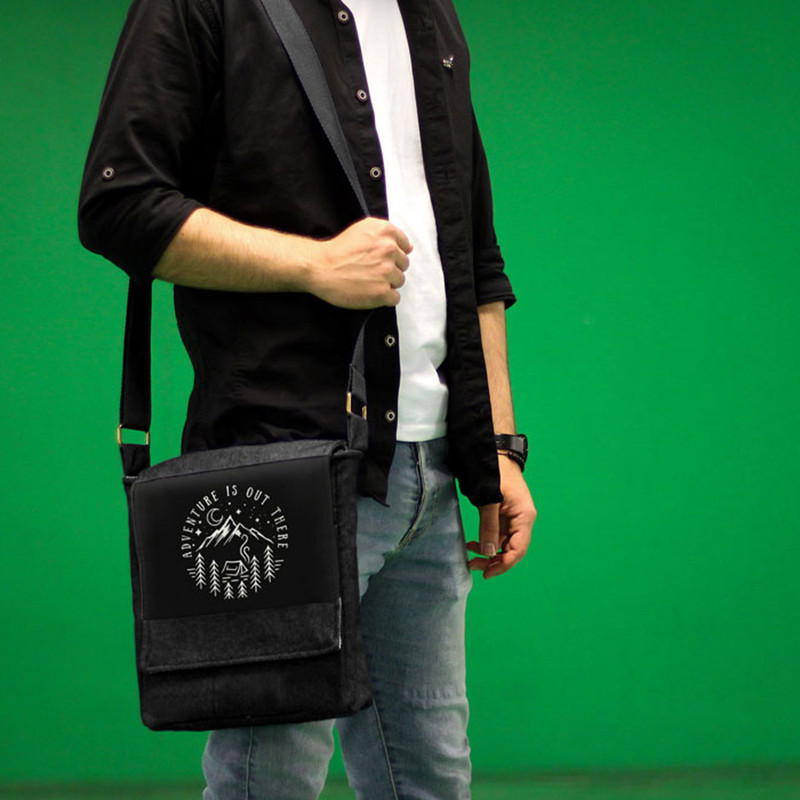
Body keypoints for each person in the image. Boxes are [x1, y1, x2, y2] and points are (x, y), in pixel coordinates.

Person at [79, 0, 536, 796]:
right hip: (282, 470)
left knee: (431, 780)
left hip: (429, 473)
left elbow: (473, 255)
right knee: (269, 780)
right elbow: (119, 204)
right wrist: (312, 265)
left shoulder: (430, 17)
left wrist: (497, 448)